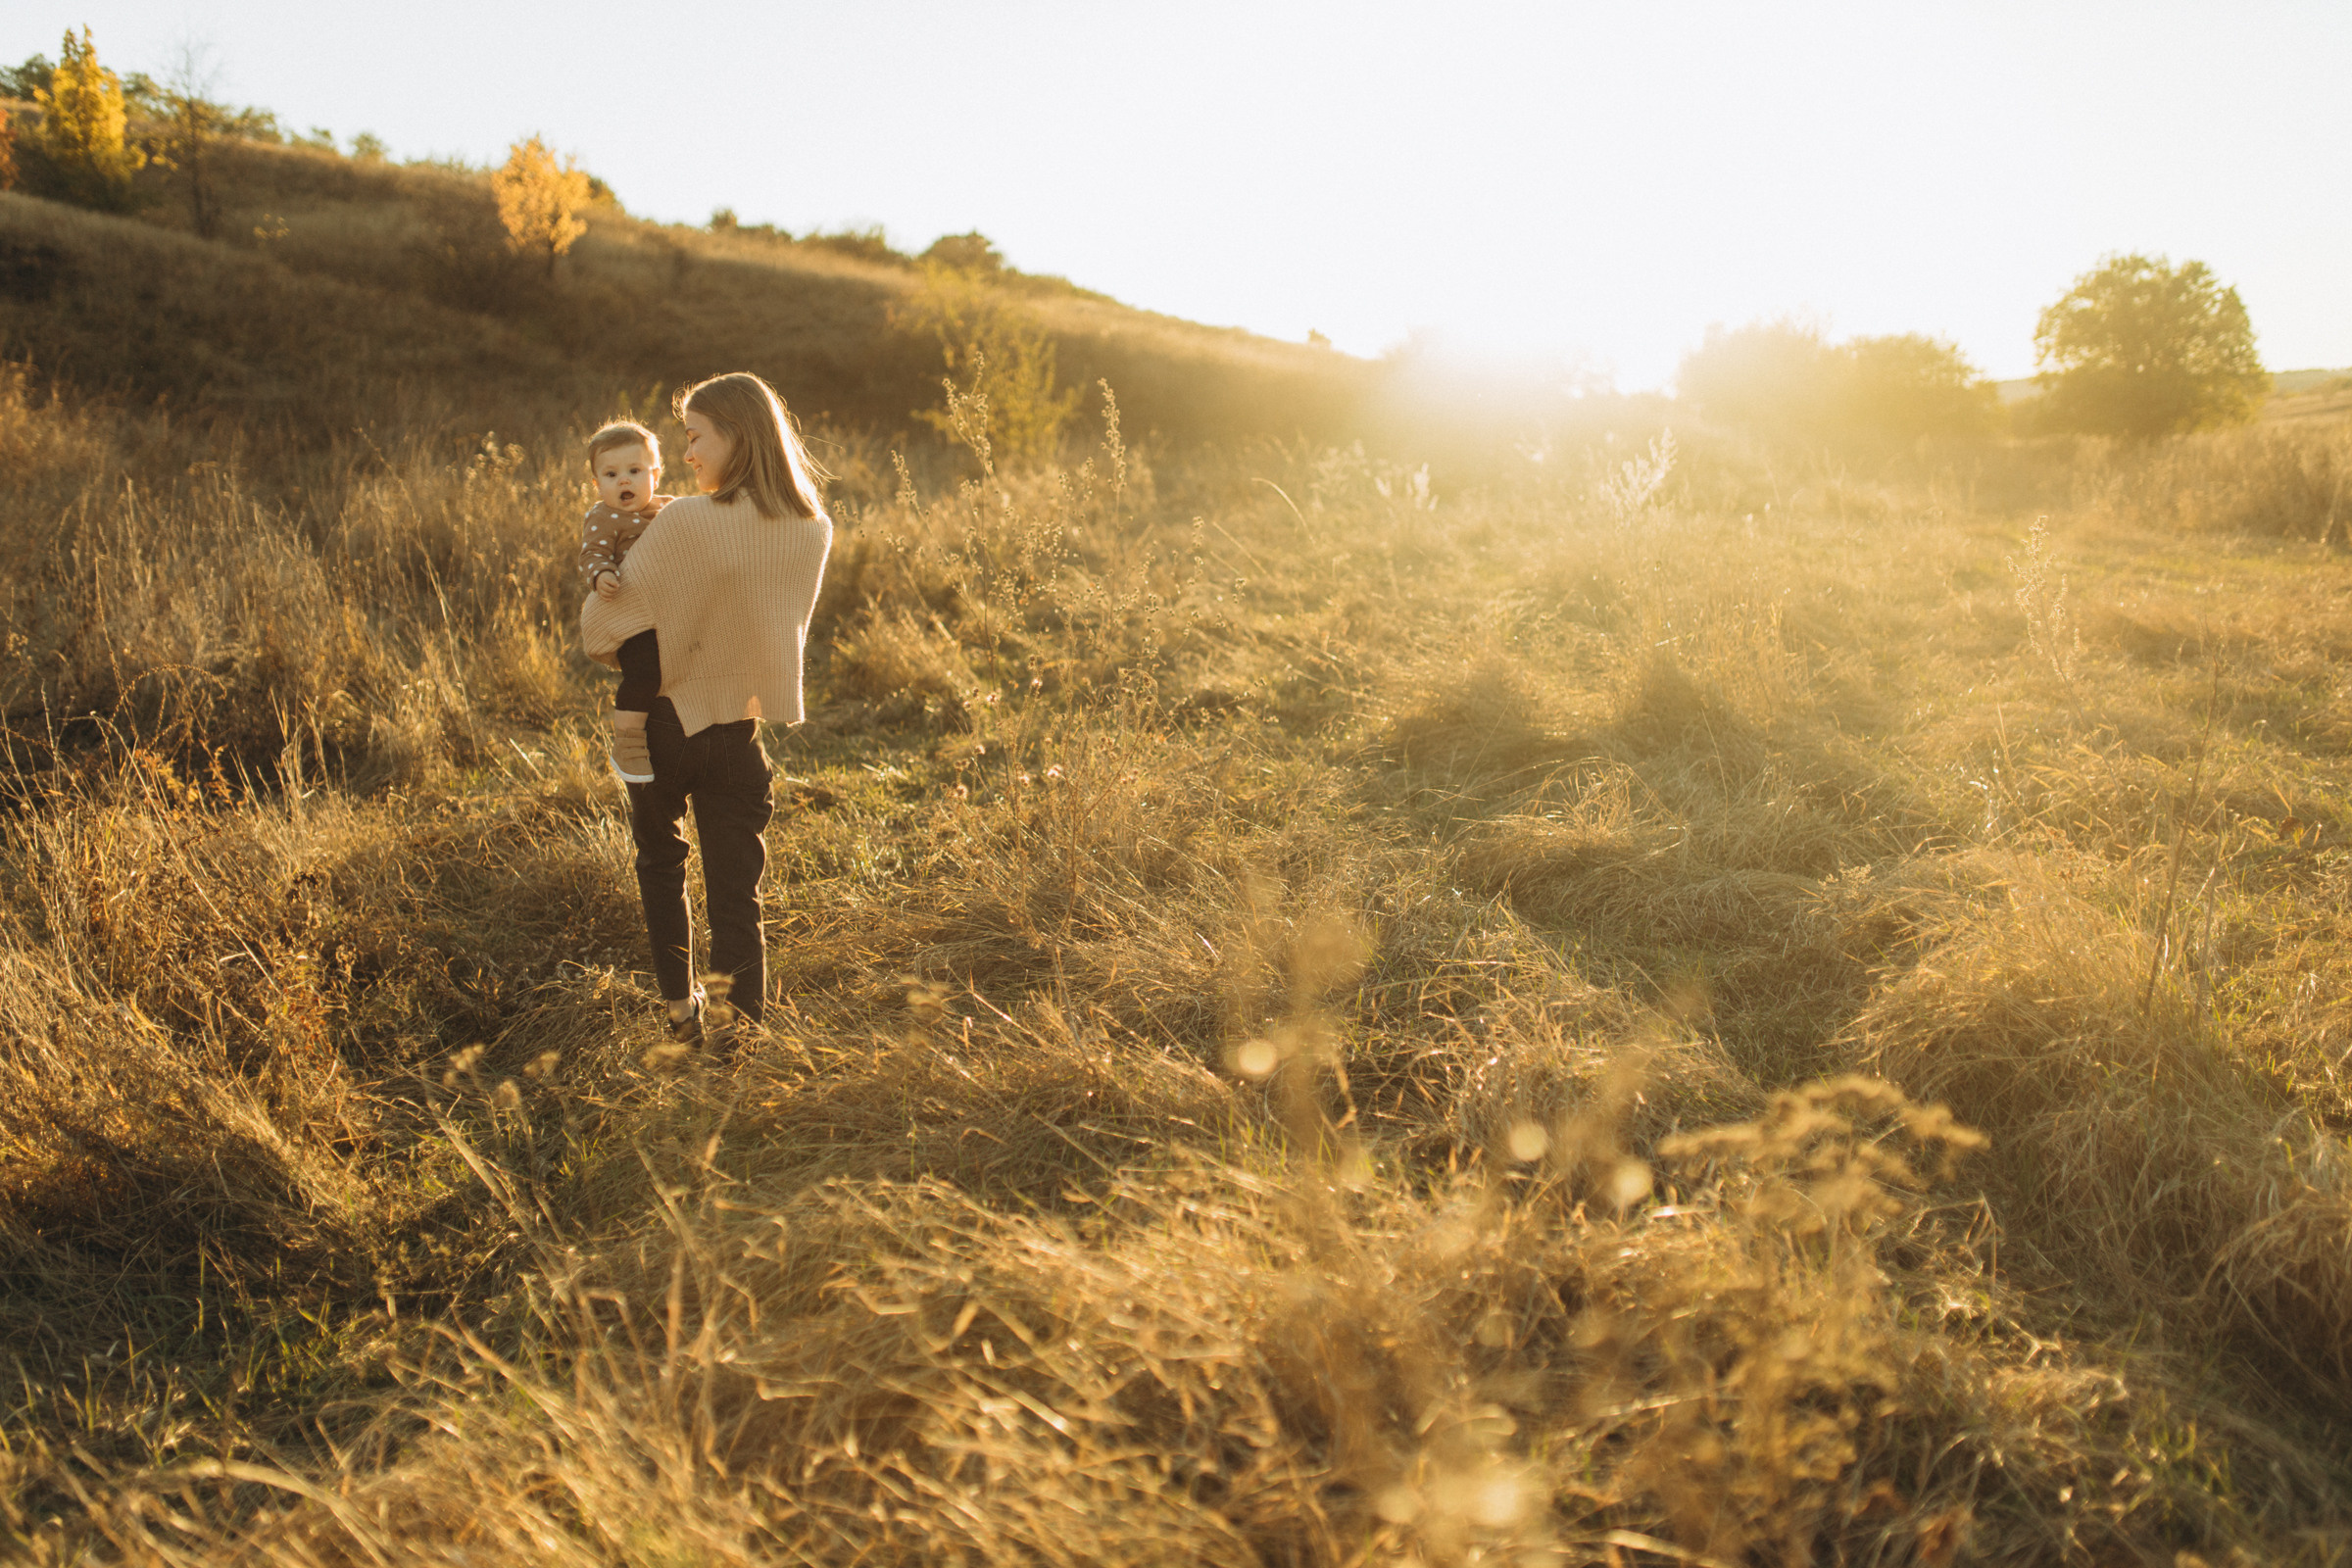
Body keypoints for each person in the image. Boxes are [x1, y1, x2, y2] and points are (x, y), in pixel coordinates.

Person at [581, 372, 833, 1044]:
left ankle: (681, 1017)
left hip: (664, 723)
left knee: (662, 865)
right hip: (739, 733)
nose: (685, 454)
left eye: (695, 436)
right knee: (737, 898)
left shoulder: (685, 520)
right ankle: (739, 1038)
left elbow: (601, 628)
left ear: (736, 435)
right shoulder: (813, 529)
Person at [576, 420, 674, 783]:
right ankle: (628, 741)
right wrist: (602, 575)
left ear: (656, 474)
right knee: (644, 670)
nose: (624, 481)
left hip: (672, 611)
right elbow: (593, 554)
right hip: (633, 617)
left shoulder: (672, 509)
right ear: (596, 484)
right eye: (612, 474)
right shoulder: (603, 516)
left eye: (635, 471)